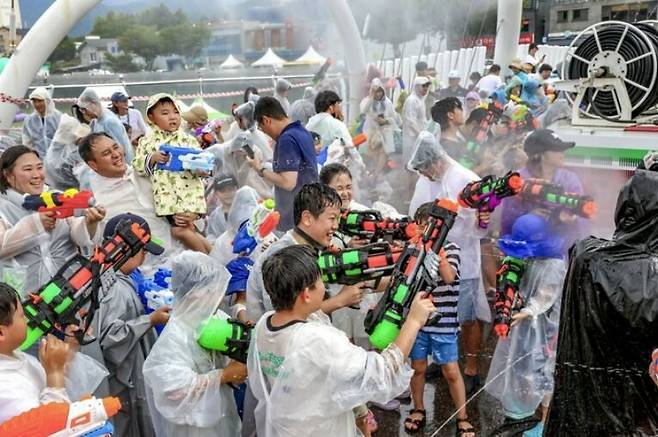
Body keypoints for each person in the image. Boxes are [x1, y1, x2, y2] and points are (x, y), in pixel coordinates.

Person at [247, 244, 437, 436]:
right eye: (321, 280)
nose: (325, 285)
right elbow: (383, 371)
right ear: (306, 294)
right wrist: (413, 321)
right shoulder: (317, 339)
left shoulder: (265, 324)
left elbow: (313, 317)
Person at [408, 132, 489, 395]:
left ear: (435, 161)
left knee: (466, 316)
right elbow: (415, 213)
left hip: (463, 261)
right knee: (436, 313)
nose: (424, 175)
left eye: (425, 169)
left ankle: (472, 368)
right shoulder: (425, 180)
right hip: (431, 263)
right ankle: (443, 360)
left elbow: (483, 221)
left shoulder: (465, 179)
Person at [143, 251, 245, 436]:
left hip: (222, 417)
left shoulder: (217, 318)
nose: (219, 298)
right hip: (192, 427)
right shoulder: (175, 335)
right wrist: (223, 376)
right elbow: (172, 389)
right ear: (194, 293)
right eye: (213, 290)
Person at [487, 213, 566, 437]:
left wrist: (527, 312)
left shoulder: (554, 263)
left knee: (543, 370)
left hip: (544, 325)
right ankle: (519, 412)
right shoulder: (527, 257)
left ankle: (542, 420)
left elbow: (546, 294)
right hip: (524, 323)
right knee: (519, 365)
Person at [246, 183, 365, 321]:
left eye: (338, 220)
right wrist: (339, 301)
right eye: (332, 218)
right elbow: (281, 318)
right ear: (307, 218)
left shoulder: (311, 249)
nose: (336, 226)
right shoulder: (282, 257)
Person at [405, 202, 475, 436]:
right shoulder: (413, 248)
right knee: (418, 368)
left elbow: (448, 277)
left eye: (430, 225)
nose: (424, 228)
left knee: (452, 371)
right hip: (418, 322)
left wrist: (439, 253)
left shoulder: (451, 249)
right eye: (421, 224)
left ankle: (462, 415)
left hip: (444, 324)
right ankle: (418, 408)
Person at [95, 213, 168, 437]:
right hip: (121, 384)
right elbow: (109, 337)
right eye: (143, 251)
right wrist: (150, 320)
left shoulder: (119, 277)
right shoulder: (115, 288)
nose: (145, 256)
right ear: (128, 250)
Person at [0, 145, 105, 296]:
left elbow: (77, 233)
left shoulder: (55, 197)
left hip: (70, 285)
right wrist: (37, 224)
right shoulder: (3, 208)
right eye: (28, 169)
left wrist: (90, 222)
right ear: (8, 175)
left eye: (39, 167)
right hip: (28, 295)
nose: (37, 175)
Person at [0, 283, 107, 423]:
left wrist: (68, 350)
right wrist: (54, 372)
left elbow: (52, 387)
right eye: (21, 315)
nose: (27, 320)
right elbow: (46, 426)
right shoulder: (6, 387)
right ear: (1, 332)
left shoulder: (14, 356)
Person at [79, 132, 181, 264]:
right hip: (149, 270)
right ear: (93, 165)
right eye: (106, 153)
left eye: (116, 147)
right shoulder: (97, 203)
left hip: (182, 249)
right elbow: (95, 241)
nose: (116, 155)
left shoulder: (146, 170)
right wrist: (91, 224)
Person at [132, 93, 210, 254]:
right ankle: (212, 254)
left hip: (190, 195)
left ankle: (209, 259)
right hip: (168, 199)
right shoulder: (147, 141)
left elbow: (204, 165)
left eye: (175, 112)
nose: (172, 117)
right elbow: (137, 165)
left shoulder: (188, 140)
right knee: (188, 230)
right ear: (151, 117)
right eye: (165, 113)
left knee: (180, 231)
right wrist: (152, 158)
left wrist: (201, 169)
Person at [500, 129, 586, 254]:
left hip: (561, 252)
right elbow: (506, 221)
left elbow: (583, 218)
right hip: (524, 253)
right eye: (556, 150)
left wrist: (570, 219)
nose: (562, 153)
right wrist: (529, 216)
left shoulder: (570, 179)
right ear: (540, 154)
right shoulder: (517, 180)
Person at [246, 97, 318, 232]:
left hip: (294, 220)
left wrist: (259, 168)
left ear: (267, 120)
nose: (265, 134)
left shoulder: (287, 139)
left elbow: (288, 183)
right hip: (310, 211)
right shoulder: (302, 132)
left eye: (262, 128)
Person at [76, 87, 133, 162]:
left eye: (84, 109)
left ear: (93, 104)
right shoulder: (97, 120)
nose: (85, 113)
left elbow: (120, 150)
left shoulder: (109, 122)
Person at [45, 114, 92, 191]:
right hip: (73, 194)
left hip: (54, 192)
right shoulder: (74, 154)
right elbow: (86, 182)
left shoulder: (53, 147)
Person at [360, 78, 399, 164]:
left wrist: (386, 121)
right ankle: (375, 170)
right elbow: (363, 111)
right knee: (373, 151)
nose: (378, 94)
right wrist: (371, 99)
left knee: (383, 152)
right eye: (376, 91)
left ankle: (378, 172)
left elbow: (394, 116)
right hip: (371, 131)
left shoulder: (387, 102)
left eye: (380, 91)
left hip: (385, 130)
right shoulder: (367, 101)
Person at [21, 87, 62, 158]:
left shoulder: (59, 117)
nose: (37, 104)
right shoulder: (29, 120)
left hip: (59, 160)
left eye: (40, 101)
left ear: (47, 101)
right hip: (39, 161)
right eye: (34, 101)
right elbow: (27, 142)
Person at [402, 76, 431, 164]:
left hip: (419, 137)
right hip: (412, 138)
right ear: (416, 86)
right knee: (411, 163)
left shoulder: (420, 100)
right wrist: (421, 134)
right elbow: (410, 121)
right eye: (423, 86)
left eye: (427, 86)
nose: (425, 88)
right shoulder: (412, 100)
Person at [432, 97, 467, 162]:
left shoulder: (457, 139)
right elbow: (454, 171)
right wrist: (484, 166)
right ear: (450, 115)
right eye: (459, 108)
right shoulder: (447, 147)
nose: (462, 111)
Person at [205, 175, 239, 241]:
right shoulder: (214, 216)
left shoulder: (246, 207)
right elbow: (211, 237)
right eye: (223, 191)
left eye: (230, 189)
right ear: (216, 193)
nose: (227, 193)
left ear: (237, 189)